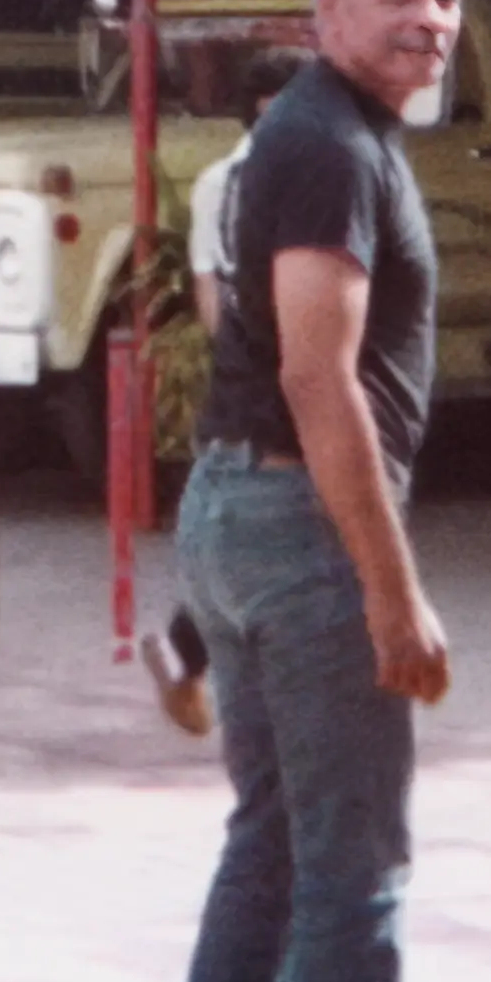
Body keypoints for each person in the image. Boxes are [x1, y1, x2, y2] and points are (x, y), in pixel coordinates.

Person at [174, 0, 465, 982]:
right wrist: (393, 596)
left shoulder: (321, 133)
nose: (431, 18)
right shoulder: (331, 145)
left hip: (242, 510)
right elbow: (317, 375)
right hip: (304, 523)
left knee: (277, 842)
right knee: (356, 871)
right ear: (328, 5)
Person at [143, 48, 308, 739]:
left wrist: (234, 360)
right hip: (292, 368)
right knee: (290, 530)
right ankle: (208, 655)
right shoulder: (300, 175)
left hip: (249, 372)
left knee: (252, 529)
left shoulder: (218, 180)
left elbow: (208, 289)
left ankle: (186, 647)